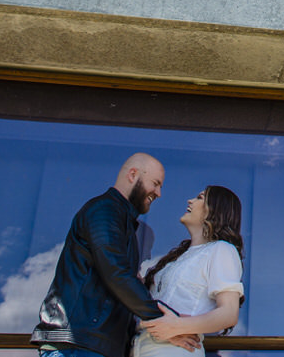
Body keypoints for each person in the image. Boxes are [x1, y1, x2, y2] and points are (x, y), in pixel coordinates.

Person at [32, 153, 198, 357]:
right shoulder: (105, 211)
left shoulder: (122, 221)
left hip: (92, 345)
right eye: (155, 183)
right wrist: (164, 323)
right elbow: (116, 272)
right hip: (78, 345)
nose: (159, 193)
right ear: (133, 174)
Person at [132, 186, 245, 357]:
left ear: (216, 210)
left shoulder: (221, 250)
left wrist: (176, 326)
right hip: (142, 348)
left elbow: (228, 314)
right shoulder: (177, 258)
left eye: (200, 198)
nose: (190, 200)